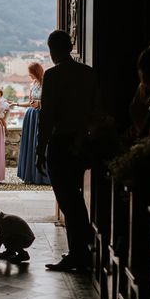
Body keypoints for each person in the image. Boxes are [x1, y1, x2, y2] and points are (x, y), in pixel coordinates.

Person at [36, 30, 100, 272]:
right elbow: (96, 110)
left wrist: (40, 150)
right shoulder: (88, 73)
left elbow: (47, 116)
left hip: (61, 142)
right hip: (83, 142)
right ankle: (82, 249)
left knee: (67, 201)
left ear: (52, 50)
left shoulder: (53, 76)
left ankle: (79, 254)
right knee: (76, 199)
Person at [15, 62, 50, 185]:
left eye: (31, 74)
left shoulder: (46, 83)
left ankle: (42, 176)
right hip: (31, 115)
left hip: (41, 115)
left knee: (39, 143)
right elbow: (30, 102)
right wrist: (16, 104)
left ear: (36, 72)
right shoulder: (33, 84)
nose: (30, 76)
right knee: (31, 143)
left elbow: (50, 101)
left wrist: (39, 104)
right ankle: (30, 175)